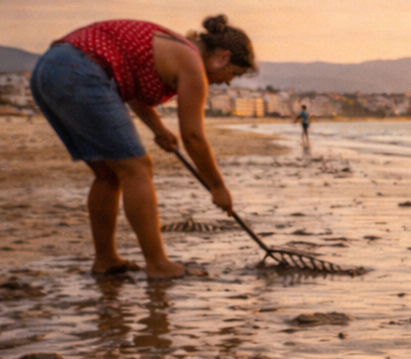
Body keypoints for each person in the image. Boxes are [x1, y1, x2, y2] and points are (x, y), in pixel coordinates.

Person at [29, 15, 256, 279]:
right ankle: (158, 264)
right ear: (223, 57)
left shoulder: (175, 47)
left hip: (49, 68)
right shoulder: (192, 64)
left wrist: (158, 129)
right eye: (233, 74)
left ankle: (106, 260)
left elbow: (131, 86)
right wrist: (217, 186)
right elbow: (193, 137)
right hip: (82, 73)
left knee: (107, 173)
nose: (228, 82)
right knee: (137, 169)